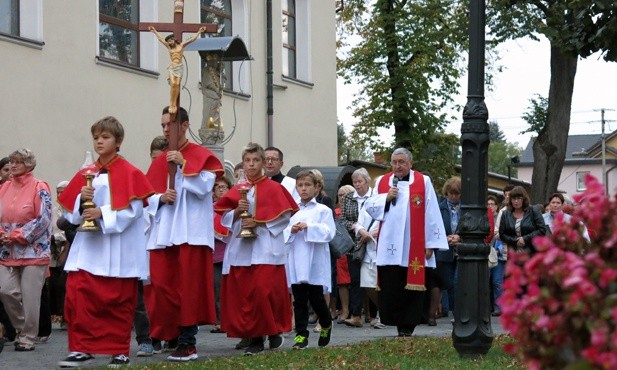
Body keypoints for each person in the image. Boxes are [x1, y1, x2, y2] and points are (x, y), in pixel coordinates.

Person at [56, 117, 154, 367]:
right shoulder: (86, 174)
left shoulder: (131, 173)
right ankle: (80, 348)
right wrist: (81, 199)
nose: (99, 141)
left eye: (105, 137)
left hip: (118, 249)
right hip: (89, 249)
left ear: (118, 141)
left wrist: (103, 213)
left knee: (118, 302)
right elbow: (70, 215)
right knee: (78, 296)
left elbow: (134, 211)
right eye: (96, 137)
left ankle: (119, 350)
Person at [144, 106, 224, 362]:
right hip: (164, 233)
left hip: (191, 232)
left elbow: (205, 187)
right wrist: (159, 198)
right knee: (162, 286)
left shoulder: (201, 155)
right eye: (163, 125)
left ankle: (188, 342)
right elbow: (145, 197)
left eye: (170, 124)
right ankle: (172, 334)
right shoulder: (160, 160)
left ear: (185, 125)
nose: (166, 129)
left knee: (188, 289)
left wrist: (184, 164)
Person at [214, 142, 298, 356]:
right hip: (242, 251)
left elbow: (284, 217)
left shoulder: (274, 188)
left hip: (265, 249)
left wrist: (258, 222)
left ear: (262, 163)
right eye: (247, 161)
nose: (251, 165)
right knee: (246, 296)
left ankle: (272, 331)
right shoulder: (237, 189)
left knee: (263, 292)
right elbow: (223, 217)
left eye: (256, 161)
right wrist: (236, 212)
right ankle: (256, 338)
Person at [364, 148, 448, 337]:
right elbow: (370, 206)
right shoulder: (382, 181)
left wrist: (430, 243)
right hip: (389, 243)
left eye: (401, 162)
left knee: (412, 287)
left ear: (410, 163)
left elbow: (432, 213)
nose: (397, 166)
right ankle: (395, 321)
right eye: (394, 162)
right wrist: (386, 197)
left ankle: (408, 325)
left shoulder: (422, 181)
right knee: (392, 285)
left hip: (414, 245)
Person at [0, 149, 52, 352]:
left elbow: (44, 219)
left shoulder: (40, 187)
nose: (13, 166)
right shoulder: (3, 188)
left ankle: (28, 338)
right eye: (12, 162)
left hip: (33, 252)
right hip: (7, 251)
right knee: (5, 290)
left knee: (31, 297)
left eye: (18, 162)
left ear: (29, 165)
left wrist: (16, 235)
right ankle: (23, 328)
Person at [284, 170, 335, 349]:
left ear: (316, 188)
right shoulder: (292, 209)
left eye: (307, 185)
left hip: (314, 260)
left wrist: (309, 227)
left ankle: (326, 322)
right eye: (300, 185)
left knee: (316, 299)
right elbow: (283, 230)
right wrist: (291, 230)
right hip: (296, 257)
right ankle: (301, 335)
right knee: (298, 299)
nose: (303, 189)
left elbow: (329, 232)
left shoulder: (323, 210)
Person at [339, 168, 373, 328]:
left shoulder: (375, 196)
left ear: (367, 181)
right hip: (354, 245)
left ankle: (374, 315)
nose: (357, 185)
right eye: (355, 182)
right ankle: (356, 314)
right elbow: (343, 220)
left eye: (360, 181)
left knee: (372, 278)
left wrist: (369, 232)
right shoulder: (348, 198)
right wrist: (355, 227)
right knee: (355, 280)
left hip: (373, 242)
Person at [149, 26, 207, 115]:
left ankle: (174, 103)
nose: (169, 43)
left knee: (177, 84)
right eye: (168, 42)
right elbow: (161, 39)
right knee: (173, 84)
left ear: (174, 39)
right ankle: (172, 104)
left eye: (170, 41)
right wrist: (154, 31)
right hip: (172, 67)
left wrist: (199, 32)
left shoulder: (181, 45)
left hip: (179, 67)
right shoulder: (169, 47)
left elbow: (192, 40)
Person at [436, 176, 461, 319]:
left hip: (460, 249)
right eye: (451, 193)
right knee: (448, 282)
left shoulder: (465, 207)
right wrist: (445, 238)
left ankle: (457, 312)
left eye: (457, 194)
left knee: (458, 282)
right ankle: (449, 310)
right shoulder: (440, 208)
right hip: (444, 251)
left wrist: (459, 237)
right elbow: (435, 227)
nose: (453, 197)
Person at [498, 186, 548, 257]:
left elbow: (542, 230)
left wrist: (525, 239)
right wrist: (515, 241)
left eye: (519, 198)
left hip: (532, 253)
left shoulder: (534, 210)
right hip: (513, 254)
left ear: (524, 199)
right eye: (513, 198)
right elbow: (502, 234)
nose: (516, 201)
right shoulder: (505, 214)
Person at [211, 175, 232, 334]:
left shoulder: (233, 208)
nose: (220, 189)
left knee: (230, 290)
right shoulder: (209, 208)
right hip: (214, 255)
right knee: (217, 288)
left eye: (223, 186)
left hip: (230, 253)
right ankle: (220, 320)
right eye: (217, 187)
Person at [332, 185, 354, 323]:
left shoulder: (355, 211)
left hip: (353, 249)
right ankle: (343, 309)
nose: (342, 198)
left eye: (345, 195)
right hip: (340, 250)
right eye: (340, 195)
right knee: (341, 281)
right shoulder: (335, 212)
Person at [487, 195, 505, 316]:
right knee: (485, 282)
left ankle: (498, 307)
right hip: (486, 253)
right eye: (488, 204)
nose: (490, 206)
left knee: (497, 282)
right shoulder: (484, 217)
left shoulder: (500, 218)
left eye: (492, 204)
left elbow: (503, 236)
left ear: (496, 206)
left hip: (497, 254)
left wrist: (499, 250)